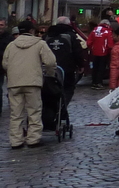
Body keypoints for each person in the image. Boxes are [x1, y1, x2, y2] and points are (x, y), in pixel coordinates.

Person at [4, 19, 56, 149]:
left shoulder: (11, 45)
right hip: (33, 82)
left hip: (14, 83)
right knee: (34, 112)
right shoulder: (40, 44)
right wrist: (49, 74)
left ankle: (16, 141)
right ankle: (33, 139)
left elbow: (5, 63)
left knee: (16, 113)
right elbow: (50, 62)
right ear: (32, 31)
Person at [43, 17, 86, 109]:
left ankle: (52, 109)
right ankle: (62, 106)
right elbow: (77, 51)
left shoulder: (47, 35)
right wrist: (81, 65)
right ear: (69, 24)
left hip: (49, 68)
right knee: (68, 88)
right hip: (67, 68)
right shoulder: (71, 35)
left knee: (49, 89)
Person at [88, 19, 114, 88]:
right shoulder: (108, 31)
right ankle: (99, 83)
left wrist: (92, 48)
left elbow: (89, 42)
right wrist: (109, 51)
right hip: (104, 53)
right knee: (101, 68)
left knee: (95, 67)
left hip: (94, 52)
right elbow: (110, 44)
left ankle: (94, 82)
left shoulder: (94, 30)